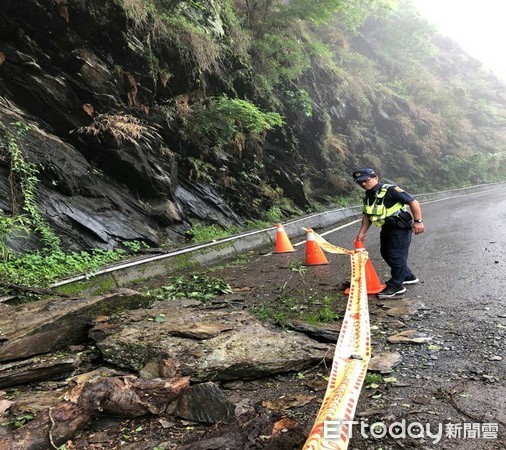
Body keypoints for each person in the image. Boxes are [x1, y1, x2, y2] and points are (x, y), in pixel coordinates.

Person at [352, 168, 425, 298]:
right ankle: (408, 276)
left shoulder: (390, 190)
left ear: (376, 178)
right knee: (385, 252)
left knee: (395, 255)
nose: (363, 184)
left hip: (400, 228)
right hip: (387, 228)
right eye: (360, 182)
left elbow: (413, 202)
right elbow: (367, 215)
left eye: (366, 180)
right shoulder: (369, 195)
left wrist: (418, 221)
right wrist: (362, 233)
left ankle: (396, 286)